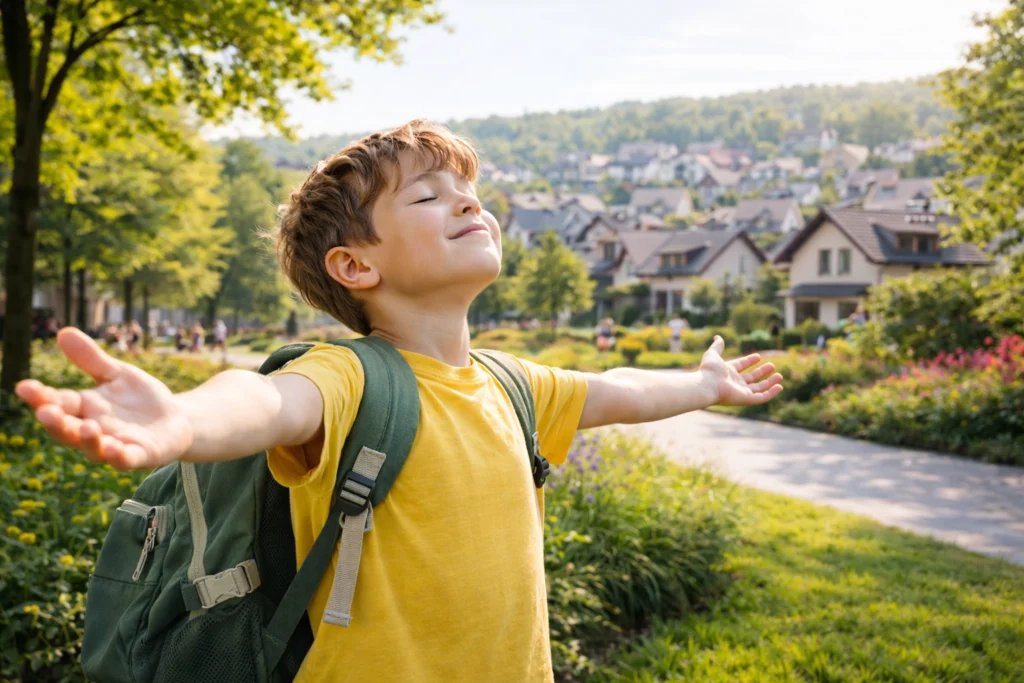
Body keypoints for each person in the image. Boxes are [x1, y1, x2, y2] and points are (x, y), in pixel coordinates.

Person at [14, 120, 783, 682]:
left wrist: (705, 385)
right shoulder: (350, 378)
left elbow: (617, 390)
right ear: (354, 265)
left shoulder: (512, 381)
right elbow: (267, 401)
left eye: (469, 192)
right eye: (428, 196)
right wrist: (184, 419)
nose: (467, 203)